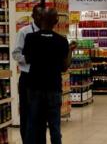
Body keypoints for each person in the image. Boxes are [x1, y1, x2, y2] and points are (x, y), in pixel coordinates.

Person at [23, 8, 76, 144]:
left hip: (34, 87)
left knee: (34, 125)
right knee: (55, 127)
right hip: (53, 88)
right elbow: (65, 67)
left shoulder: (30, 38)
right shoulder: (61, 41)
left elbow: (27, 59)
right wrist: (69, 51)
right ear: (56, 21)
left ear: (40, 19)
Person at [12, 4, 44, 143]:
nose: (41, 18)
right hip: (28, 77)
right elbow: (15, 54)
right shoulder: (24, 32)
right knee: (26, 111)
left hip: (43, 78)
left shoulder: (47, 32)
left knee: (40, 114)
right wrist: (28, 59)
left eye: (43, 15)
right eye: (38, 15)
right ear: (33, 16)